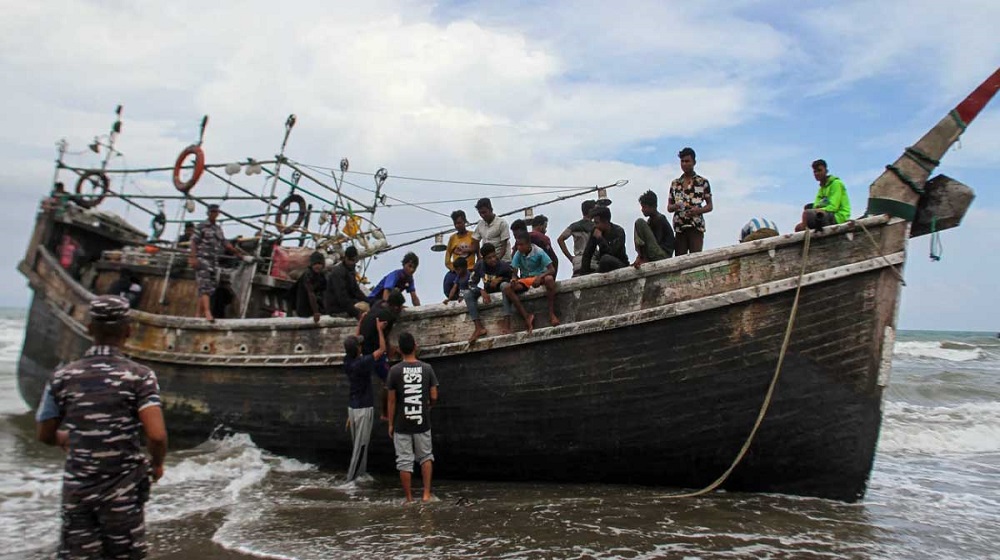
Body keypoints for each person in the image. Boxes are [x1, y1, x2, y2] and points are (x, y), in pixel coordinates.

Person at [35, 295, 167, 559]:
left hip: (78, 489)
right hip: (123, 490)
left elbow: (44, 434)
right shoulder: (139, 377)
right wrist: (156, 463)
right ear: (128, 331)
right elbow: (156, 434)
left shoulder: (62, 377)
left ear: (89, 329)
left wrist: (65, 438)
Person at [386, 332, 439, 503]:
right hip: (422, 421)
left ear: (399, 350)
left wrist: (390, 424)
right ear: (415, 346)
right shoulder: (427, 368)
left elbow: (392, 400)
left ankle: (409, 499)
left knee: (404, 462)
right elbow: (434, 395)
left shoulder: (394, 371)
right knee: (425, 457)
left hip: (402, 423)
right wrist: (428, 406)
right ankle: (426, 494)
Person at [343, 316, 388, 481]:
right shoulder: (362, 362)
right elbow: (382, 349)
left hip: (353, 408)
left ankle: (360, 474)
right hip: (363, 408)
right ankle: (351, 480)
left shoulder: (347, 361)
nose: (362, 346)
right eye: (359, 345)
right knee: (361, 446)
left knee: (358, 444)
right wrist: (379, 330)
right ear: (358, 350)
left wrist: (360, 323)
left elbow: (354, 345)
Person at [189, 204, 245, 321]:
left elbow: (225, 243)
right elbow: (194, 242)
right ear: (208, 213)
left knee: (209, 288)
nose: (214, 214)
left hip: (213, 261)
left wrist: (237, 253)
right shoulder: (202, 226)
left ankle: (198, 314)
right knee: (204, 286)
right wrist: (193, 257)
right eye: (212, 212)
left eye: (216, 212)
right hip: (202, 259)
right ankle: (207, 312)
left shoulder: (217, 229)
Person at [503, 232, 560, 334]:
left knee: (549, 280)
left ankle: (551, 314)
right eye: (517, 245)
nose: (519, 247)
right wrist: (513, 279)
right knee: (507, 288)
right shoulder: (518, 254)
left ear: (528, 244)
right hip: (526, 280)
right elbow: (514, 273)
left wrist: (540, 276)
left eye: (521, 245)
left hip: (540, 277)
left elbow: (551, 269)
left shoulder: (539, 252)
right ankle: (527, 316)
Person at [667, 147, 713, 256]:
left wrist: (697, 210)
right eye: (682, 161)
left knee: (695, 259)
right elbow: (669, 207)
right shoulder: (675, 184)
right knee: (680, 261)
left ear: (694, 162)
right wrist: (676, 206)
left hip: (695, 226)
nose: (684, 164)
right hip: (680, 228)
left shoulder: (702, 182)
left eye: (687, 161)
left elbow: (710, 206)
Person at [465, 242, 514, 342]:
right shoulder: (479, 266)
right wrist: (481, 291)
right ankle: (478, 327)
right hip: (488, 292)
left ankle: (507, 324)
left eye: (494, 256)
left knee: (505, 286)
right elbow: (470, 283)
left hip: (501, 289)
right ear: (483, 258)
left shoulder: (503, 266)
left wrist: (500, 279)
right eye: (489, 258)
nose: (493, 259)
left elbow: (513, 279)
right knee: (467, 294)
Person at [358, 290, 407, 383]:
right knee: (390, 380)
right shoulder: (389, 316)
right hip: (373, 349)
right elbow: (385, 335)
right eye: (400, 306)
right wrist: (389, 351)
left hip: (363, 345)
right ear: (396, 307)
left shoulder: (378, 304)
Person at [796, 159, 851, 232]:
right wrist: (818, 209)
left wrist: (821, 209)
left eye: (819, 170)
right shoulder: (821, 188)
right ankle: (808, 239)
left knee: (806, 214)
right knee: (798, 227)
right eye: (815, 171)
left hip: (838, 216)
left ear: (826, 171)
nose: (817, 173)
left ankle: (809, 237)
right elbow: (816, 205)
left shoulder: (836, 184)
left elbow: (834, 207)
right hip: (824, 214)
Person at [325, 246, 370, 319]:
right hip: (336, 308)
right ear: (345, 258)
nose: (351, 262)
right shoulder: (338, 272)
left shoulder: (350, 271)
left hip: (348, 303)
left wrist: (370, 301)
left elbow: (356, 291)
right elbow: (342, 297)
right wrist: (356, 313)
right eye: (350, 260)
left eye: (354, 260)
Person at [632, 190, 674, 268]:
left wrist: (644, 256)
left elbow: (656, 242)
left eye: (644, 207)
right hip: (656, 252)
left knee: (639, 222)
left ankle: (642, 258)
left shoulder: (659, 219)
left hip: (662, 255)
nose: (642, 210)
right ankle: (641, 257)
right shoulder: (650, 221)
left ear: (653, 207)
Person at [581, 205, 629, 274]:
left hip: (620, 265)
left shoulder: (619, 231)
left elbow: (613, 253)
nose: (595, 225)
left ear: (605, 222)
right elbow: (587, 254)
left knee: (605, 259)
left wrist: (600, 239)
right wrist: (584, 274)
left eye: (597, 223)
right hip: (604, 267)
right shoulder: (596, 231)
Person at [558, 199, 599, 277]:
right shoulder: (595, 226)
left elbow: (560, 239)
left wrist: (571, 258)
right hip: (592, 260)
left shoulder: (574, 226)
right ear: (590, 210)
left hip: (578, 261)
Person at [471, 198, 511, 262]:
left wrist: (496, 260)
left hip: (503, 260)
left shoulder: (501, 223)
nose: (482, 215)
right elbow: (475, 240)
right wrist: (479, 256)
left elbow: (504, 246)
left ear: (491, 210)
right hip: (487, 261)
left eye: (484, 212)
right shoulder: (480, 224)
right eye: (480, 213)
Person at [294, 251, 327, 322]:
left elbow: (325, 292)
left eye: (319, 264)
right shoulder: (308, 275)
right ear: (311, 264)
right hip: (305, 308)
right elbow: (310, 293)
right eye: (315, 264)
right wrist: (316, 312)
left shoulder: (322, 275)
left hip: (317, 307)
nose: (317, 266)